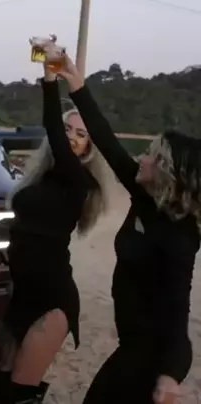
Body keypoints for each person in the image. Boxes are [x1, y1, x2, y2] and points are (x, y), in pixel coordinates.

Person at [55, 56, 200, 404]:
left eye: (149, 155)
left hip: (150, 361)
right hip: (130, 348)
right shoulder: (145, 198)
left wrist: (170, 375)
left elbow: (178, 310)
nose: (141, 158)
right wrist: (76, 85)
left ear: (165, 170)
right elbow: (106, 141)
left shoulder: (179, 236)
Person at [0, 47, 112, 404]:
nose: (72, 137)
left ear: (89, 145)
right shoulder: (37, 179)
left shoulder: (80, 182)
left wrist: (49, 79)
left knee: (18, 393)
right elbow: (17, 226)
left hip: (52, 300)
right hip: (20, 292)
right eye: (68, 129)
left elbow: (54, 134)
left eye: (82, 134)